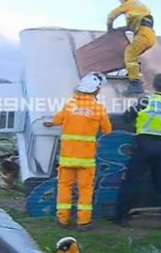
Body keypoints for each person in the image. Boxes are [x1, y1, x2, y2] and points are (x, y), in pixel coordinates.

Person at [44, 72, 112, 231]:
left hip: (67, 157)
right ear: (96, 91)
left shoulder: (69, 105)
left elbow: (56, 120)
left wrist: (50, 123)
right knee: (85, 190)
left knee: (64, 187)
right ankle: (83, 222)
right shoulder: (98, 108)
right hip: (86, 160)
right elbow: (107, 130)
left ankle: (63, 219)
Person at [114, 73, 161, 229]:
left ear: (153, 85)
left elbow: (126, 117)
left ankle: (121, 217)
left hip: (144, 145)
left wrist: (137, 123)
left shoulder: (145, 100)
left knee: (131, 181)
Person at [107, 0, 156, 95]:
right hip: (149, 35)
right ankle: (134, 73)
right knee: (133, 55)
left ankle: (135, 84)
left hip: (143, 34)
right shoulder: (141, 6)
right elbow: (135, 23)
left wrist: (109, 28)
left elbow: (111, 16)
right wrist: (121, 29)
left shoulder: (128, 3)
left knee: (130, 53)